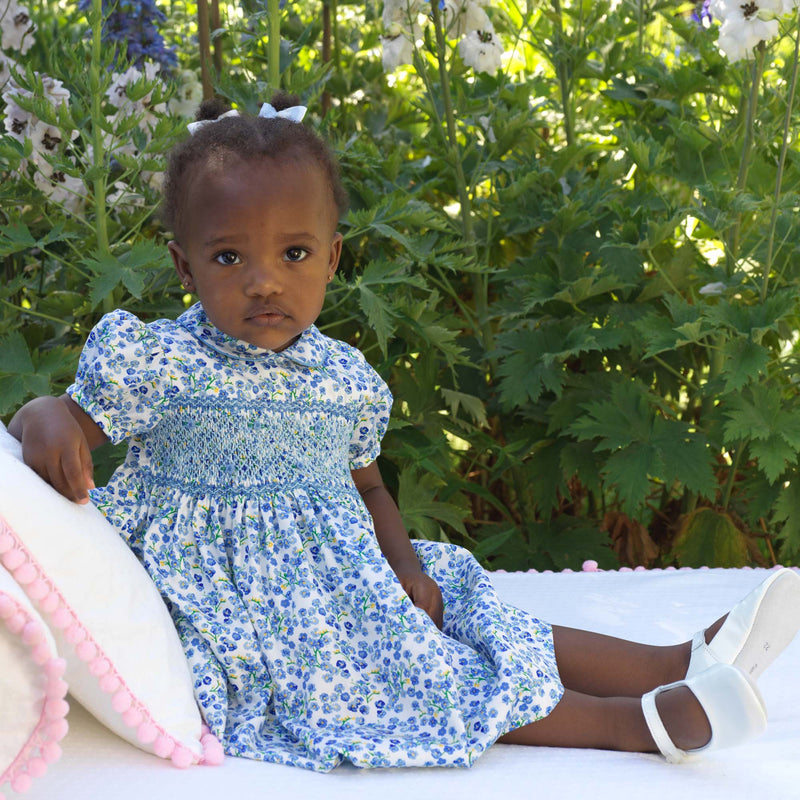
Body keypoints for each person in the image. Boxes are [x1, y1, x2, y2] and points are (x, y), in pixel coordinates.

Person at [7, 93, 800, 771]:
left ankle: (677, 661)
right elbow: (68, 417)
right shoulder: (162, 361)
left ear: (332, 257)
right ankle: (639, 725)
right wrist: (43, 417)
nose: (264, 280)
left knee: (471, 605)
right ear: (184, 269)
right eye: (227, 256)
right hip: (252, 606)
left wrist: (405, 563)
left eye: (293, 253)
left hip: (353, 568)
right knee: (410, 667)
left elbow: (370, 485)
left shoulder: (344, 375)